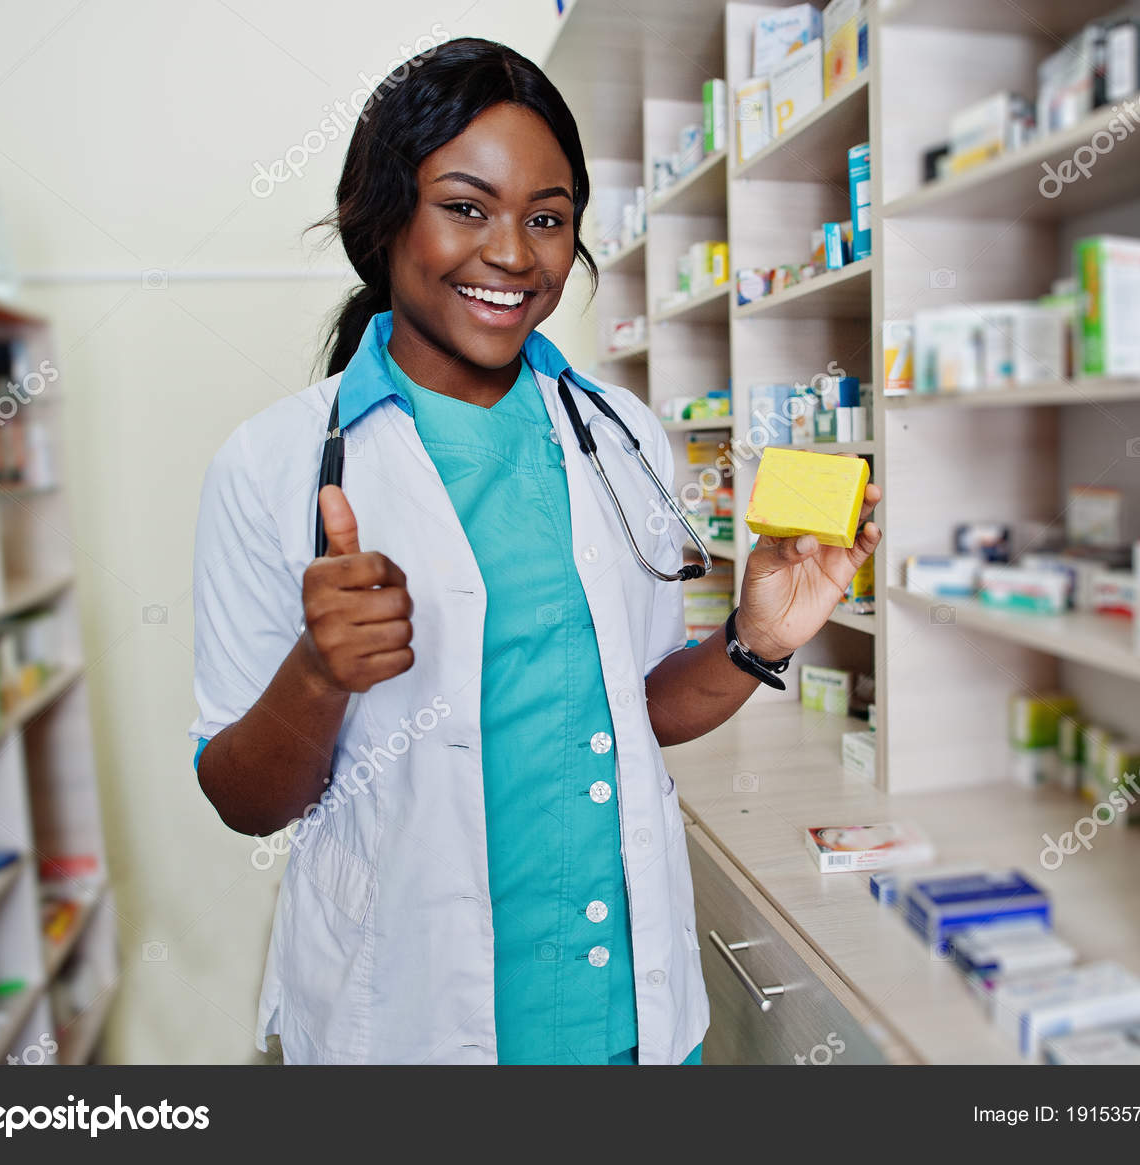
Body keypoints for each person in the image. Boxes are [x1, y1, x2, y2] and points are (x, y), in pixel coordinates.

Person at [189, 37, 881, 1065]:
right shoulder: (272, 462)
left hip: (628, 1013)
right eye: (465, 207)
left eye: (547, 218)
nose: (514, 253)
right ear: (380, 219)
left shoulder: (621, 437)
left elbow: (627, 707)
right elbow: (242, 798)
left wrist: (753, 640)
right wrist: (318, 672)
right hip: (415, 1018)